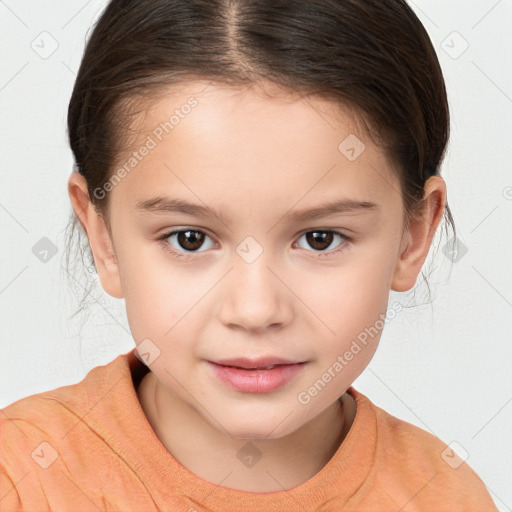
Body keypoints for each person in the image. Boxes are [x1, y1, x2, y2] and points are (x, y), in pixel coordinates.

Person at [0, 0, 498, 510]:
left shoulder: (444, 496)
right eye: (189, 239)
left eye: (320, 238)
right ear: (102, 238)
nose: (255, 310)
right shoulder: (19, 479)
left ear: (412, 236)